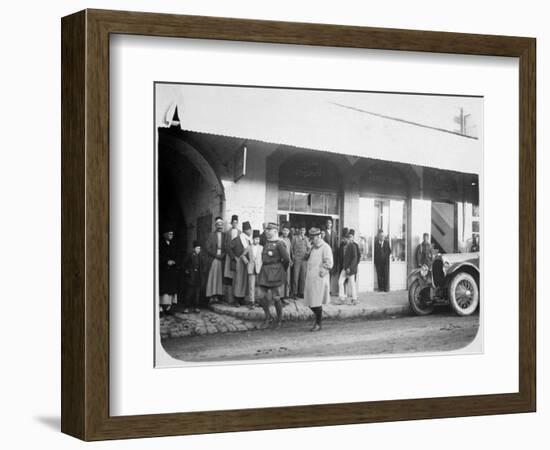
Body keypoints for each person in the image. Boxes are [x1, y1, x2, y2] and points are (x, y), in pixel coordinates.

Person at [257, 222, 290, 328]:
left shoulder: (280, 243)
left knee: (276, 297)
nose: (266, 232)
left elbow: (286, 259)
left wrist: (281, 270)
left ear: (275, 231)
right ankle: (268, 317)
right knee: (260, 295)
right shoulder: (267, 242)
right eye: (266, 230)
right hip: (265, 271)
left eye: (269, 230)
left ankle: (279, 319)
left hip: (275, 271)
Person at [303, 227, 333, 332]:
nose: (312, 239)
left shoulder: (325, 247)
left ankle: (318, 323)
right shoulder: (313, 247)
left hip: (319, 279)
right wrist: (307, 250)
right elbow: (306, 258)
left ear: (319, 236)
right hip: (311, 278)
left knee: (316, 301)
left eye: (314, 237)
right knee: (310, 301)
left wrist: (322, 271)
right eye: (311, 237)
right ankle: (318, 319)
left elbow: (329, 263)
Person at [230, 221, 252, 306]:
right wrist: (234, 257)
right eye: (249, 230)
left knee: (244, 281)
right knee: (238, 281)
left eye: (250, 229)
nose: (250, 231)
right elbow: (229, 247)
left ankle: (242, 298)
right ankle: (236, 299)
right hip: (239, 262)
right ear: (245, 230)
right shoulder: (238, 239)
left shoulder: (249, 239)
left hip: (246, 262)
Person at [182, 241, 208, 313]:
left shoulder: (201, 256)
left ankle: (196, 307)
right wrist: (187, 270)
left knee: (197, 293)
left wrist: (203, 272)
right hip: (191, 276)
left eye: (199, 248)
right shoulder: (190, 255)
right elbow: (184, 264)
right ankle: (186, 307)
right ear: (194, 248)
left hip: (198, 277)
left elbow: (204, 265)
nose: (198, 250)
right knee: (189, 293)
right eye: (197, 248)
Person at [159, 228, 180, 316]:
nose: (171, 235)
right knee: (163, 290)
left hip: (172, 271)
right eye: (169, 234)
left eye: (172, 234)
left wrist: (175, 261)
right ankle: (160, 309)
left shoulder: (174, 244)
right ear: (165, 234)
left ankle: (168, 308)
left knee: (171, 289)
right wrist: (166, 261)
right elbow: (157, 254)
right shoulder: (160, 243)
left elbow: (178, 255)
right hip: (163, 270)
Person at [205, 217, 226, 303]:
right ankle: (211, 296)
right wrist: (216, 255)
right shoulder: (211, 235)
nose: (220, 226)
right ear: (215, 225)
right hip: (213, 258)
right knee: (212, 277)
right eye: (218, 224)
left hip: (221, 258)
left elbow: (227, 247)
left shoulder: (225, 235)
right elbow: (207, 247)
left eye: (221, 224)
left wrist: (222, 255)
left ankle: (217, 296)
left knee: (219, 278)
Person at [242, 229, 263, 308]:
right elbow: (243, 255)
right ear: (252, 239)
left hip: (259, 268)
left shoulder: (261, 248)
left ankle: (259, 300)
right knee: (251, 285)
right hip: (251, 268)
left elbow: (264, 257)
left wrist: (262, 264)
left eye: (258, 239)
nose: (257, 241)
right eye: (255, 239)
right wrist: (247, 262)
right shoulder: (249, 247)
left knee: (259, 285)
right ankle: (252, 301)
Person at [338, 229, 359, 304]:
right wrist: (345, 267)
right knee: (340, 282)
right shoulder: (344, 246)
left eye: (347, 239)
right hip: (345, 268)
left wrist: (350, 268)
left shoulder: (353, 246)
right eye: (345, 238)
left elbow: (355, 258)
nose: (346, 240)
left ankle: (354, 299)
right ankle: (342, 298)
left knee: (352, 283)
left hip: (350, 269)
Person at [223, 215, 241, 305]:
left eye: (236, 222)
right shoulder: (228, 233)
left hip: (237, 257)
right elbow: (226, 245)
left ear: (237, 223)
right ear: (231, 223)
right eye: (233, 222)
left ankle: (237, 297)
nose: (235, 224)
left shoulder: (240, 232)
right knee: (229, 276)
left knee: (236, 276)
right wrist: (231, 255)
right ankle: (229, 298)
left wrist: (237, 256)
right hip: (229, 256)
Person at [291, 225, 311, 298]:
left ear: (305, 231)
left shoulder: (306, 239)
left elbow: (309, 248)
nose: (302, 232)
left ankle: (301, 292)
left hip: (304, 260)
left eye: (304, 230)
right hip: (296, 259)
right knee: (295, 276)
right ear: (299, 230)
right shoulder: (294, 238)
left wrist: (307, 254)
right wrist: (293, 257)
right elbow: (291, 249)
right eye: (301, 230)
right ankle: (294, 293)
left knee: (303, 276)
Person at [323, 218, 339, 294]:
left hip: (332, 255)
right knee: (325, 272)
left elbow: (336, 244)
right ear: (326, 224)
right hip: (326, 254)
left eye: (330, 223)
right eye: (328, 223)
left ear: (332, 224)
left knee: (331, 273)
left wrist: (336, 254)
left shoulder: (334, 233)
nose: (329, 224)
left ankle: (329, 289)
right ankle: (325, 290)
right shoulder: (324, 233)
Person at [279, 223, 293, 299]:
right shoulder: (279, 239)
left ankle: (285, 296)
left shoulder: (288, 240)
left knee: (287, 278)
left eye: (287, 231)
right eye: (284, 230)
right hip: (281, 263)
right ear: (281, 230)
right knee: (281, 279)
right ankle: (280, 296)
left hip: (287, 262)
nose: (285, 232)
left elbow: (289, 252)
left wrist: (290, 260)